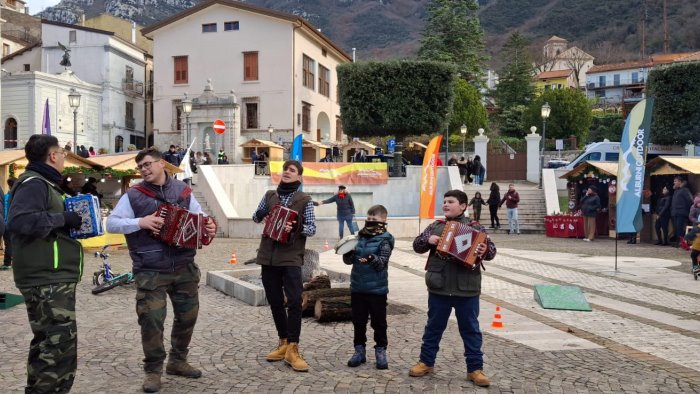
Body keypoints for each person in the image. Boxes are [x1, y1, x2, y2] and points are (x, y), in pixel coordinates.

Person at [106, 147, 217, 393]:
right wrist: (140, 222)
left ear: (161, 164)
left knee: (188, 317)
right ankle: (153, 371)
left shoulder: (182, 190)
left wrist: (208, 226)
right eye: (140, 167)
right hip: (151, 269)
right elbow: (111, 223)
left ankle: (177, 361)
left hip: (184, 266)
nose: (144, 169)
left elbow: (199, 216)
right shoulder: (133, 196)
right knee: (152, 321)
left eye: (147, 164)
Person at [7, 134, 84, 393]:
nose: (64, 157)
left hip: (52, 277)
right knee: (55, 347)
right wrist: (63, 219)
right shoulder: (34, 183)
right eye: (62, 152)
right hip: (45, 279)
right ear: (52, 155)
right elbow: (20, 222)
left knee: (54, 345)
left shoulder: (46, 184)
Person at [408, 190, 496, 387]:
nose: (445, 205)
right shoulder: (435, 226)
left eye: (451, 202)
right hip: (439, 287)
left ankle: (475, 369)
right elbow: (416, 245)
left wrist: (484, 250)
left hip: (466, 289)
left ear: (463, 206)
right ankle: (426, 362)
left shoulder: (476, 227)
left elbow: (491, 252)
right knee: (433, 328)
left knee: (471, 330)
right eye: (444, 201)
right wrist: (427, 240)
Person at [252, 160, 316, 372]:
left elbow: (311, 228)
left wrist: (294, 226)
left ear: (299, 177)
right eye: (285, 169)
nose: (287, 172)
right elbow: (255, 216)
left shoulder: (305, 200)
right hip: (268, 256)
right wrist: (262, 215)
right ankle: (283, 343)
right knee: (275, 301)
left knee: (295, 301)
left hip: (291, 257)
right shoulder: (270, 196)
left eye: (292, 170)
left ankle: (294, 347)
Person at [343, 205, 394, 370]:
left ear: (384, 221)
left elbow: (381, 264)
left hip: (377, 290)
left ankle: (380, 351)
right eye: (369, 218)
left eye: (375, 219)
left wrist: (372, 257)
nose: (370, 221)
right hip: (358, 287)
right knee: (358, 322)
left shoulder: (385, 239)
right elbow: (349, 261)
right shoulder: (359, 237)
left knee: (379, 323)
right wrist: (347, 253)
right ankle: (359, 351)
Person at [671, 176, 693, 245]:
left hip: (682, 212)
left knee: (679, 228)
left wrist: (688, 210)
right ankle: (679, 242)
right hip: (675, 213)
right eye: (674, 181)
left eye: (675, 181)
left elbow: (690, 200)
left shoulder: (685, 190)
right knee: (676, 228)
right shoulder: (676, 191)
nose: (674, 182)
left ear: (680, 182)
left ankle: (682, 242)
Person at [1, 177, 16, 270]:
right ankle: (10, 262)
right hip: (13, 223)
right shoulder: (17, 196)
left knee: (8, 244)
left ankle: (7, 263)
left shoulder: (6, 196)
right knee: (12, 243)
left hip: (4, 222)